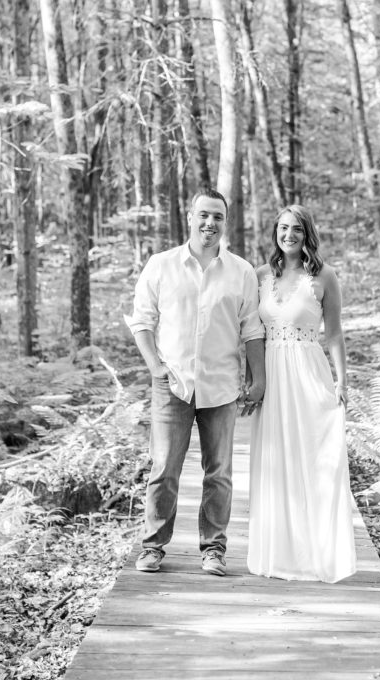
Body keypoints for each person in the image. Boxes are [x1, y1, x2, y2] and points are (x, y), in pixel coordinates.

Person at [125, 187, 265, 578]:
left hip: (221, 386)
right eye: (204, 215)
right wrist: (155, 366)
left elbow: (252, 329)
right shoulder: (161, 265)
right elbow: (141, 321)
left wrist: (259, 378)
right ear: (190, 216)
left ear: (225, 222)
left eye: (218, 217)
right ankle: (153, 547)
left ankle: (214, 550)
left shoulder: (241, 272)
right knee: (164, 469)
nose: (210, 223)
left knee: (218, 472)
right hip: (172, 384)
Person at [247, 204, 357, 583]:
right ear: (275, 233)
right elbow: (249, 332)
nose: (288, 234)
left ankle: (319, 553)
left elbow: (335, 333)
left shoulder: (324, 275)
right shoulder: (260, 275)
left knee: (316, 459)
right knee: (276, 461)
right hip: (272, 378)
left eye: (296, 228)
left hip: (309, 374)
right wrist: (251, 379)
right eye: (282, 228)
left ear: (307, 233)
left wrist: (343, 380)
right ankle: (281, 553)